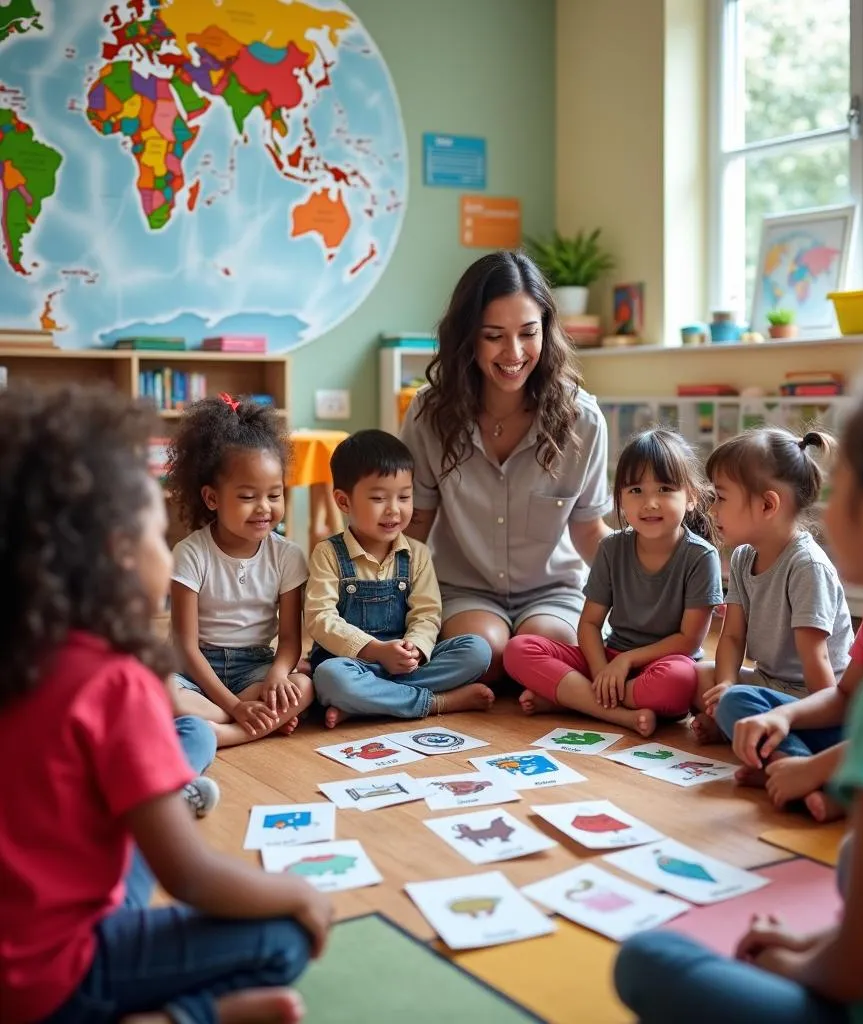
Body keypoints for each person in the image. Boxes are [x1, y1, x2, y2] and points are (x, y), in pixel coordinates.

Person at [614, 354, 863, 1024]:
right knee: (857, 858)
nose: (824, 510)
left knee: (649, 961)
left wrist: (791, 963)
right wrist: (816, 940)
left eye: (842, 487)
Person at [0, 384, 332, 1024]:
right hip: (52, 983)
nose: (167, 544)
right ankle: (180, 1017)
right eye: (157, 532)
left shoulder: (22, 653)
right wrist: (297, 891)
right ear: (117, 555)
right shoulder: (114, 680)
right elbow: (192, 876)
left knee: (128, 857)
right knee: (285, 935)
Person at [400, 250, 613, 679]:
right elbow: (415, 523)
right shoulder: (429, 414)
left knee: (545, 647)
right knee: (487, 653)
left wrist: (656, 575)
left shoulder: (582, 420)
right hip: (464, 590)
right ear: (468, 338)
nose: (513, 352)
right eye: (494, 336)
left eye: (528, 333)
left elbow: (589, 531)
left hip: (554, 591)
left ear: (545, 332)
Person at [504, 428, 722, 736]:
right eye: (636, 491)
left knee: (681, 681)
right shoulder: (611, 547)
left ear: (691, 498)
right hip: (610, 658)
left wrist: (626, 663)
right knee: (518, 649)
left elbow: (689, 641)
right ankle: (618, 713)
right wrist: (601, 671)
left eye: (664, 489)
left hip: (664, 665)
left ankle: (573, 700)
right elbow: (590, 624)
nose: (650, 503)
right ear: (619, 498)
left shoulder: (701, 556)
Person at [306, 430, 494, 724]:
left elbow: (427, 613)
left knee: (477, 649)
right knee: (330, 677)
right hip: (351, 664)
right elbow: (320, 619)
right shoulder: (328, 553)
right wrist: (376, 651)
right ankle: (435, 702)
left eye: (404, 496)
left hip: (405, 665)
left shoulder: (416, 554)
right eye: (379, 498)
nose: (394, 509)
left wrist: (415, 649)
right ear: (344, 502)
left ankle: (365, 702)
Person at [166, 394, 314, 746]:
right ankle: (248, 723)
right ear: (212, 498)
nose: (264, 508)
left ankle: (219, 732)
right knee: (161, 690)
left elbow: (291, 639)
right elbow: (186, 647)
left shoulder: (288, 555)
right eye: (248, 497)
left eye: (274, 495)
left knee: (304, 686)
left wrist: (278, 674)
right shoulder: (190, 553)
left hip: (254, 667)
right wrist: (236, 705)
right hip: (196, 668)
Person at [692, 427, 853, 746]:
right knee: (700, 677)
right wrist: (724, 686)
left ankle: (789, 755)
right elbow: (733, 636)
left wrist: (822, 718)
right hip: (771, 684)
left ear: (767, 505)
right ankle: (749, 733)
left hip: (812, 696)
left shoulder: (807, 566)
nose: (712, 510)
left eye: (721, 498)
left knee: (737, 703)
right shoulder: (741, 557)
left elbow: (817, 661)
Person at [731, 589, 863, 821]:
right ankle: (800, 773)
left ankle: (826, 786)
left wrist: (814, 768)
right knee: (737, 699)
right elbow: (847, 694)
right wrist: (783, 715)